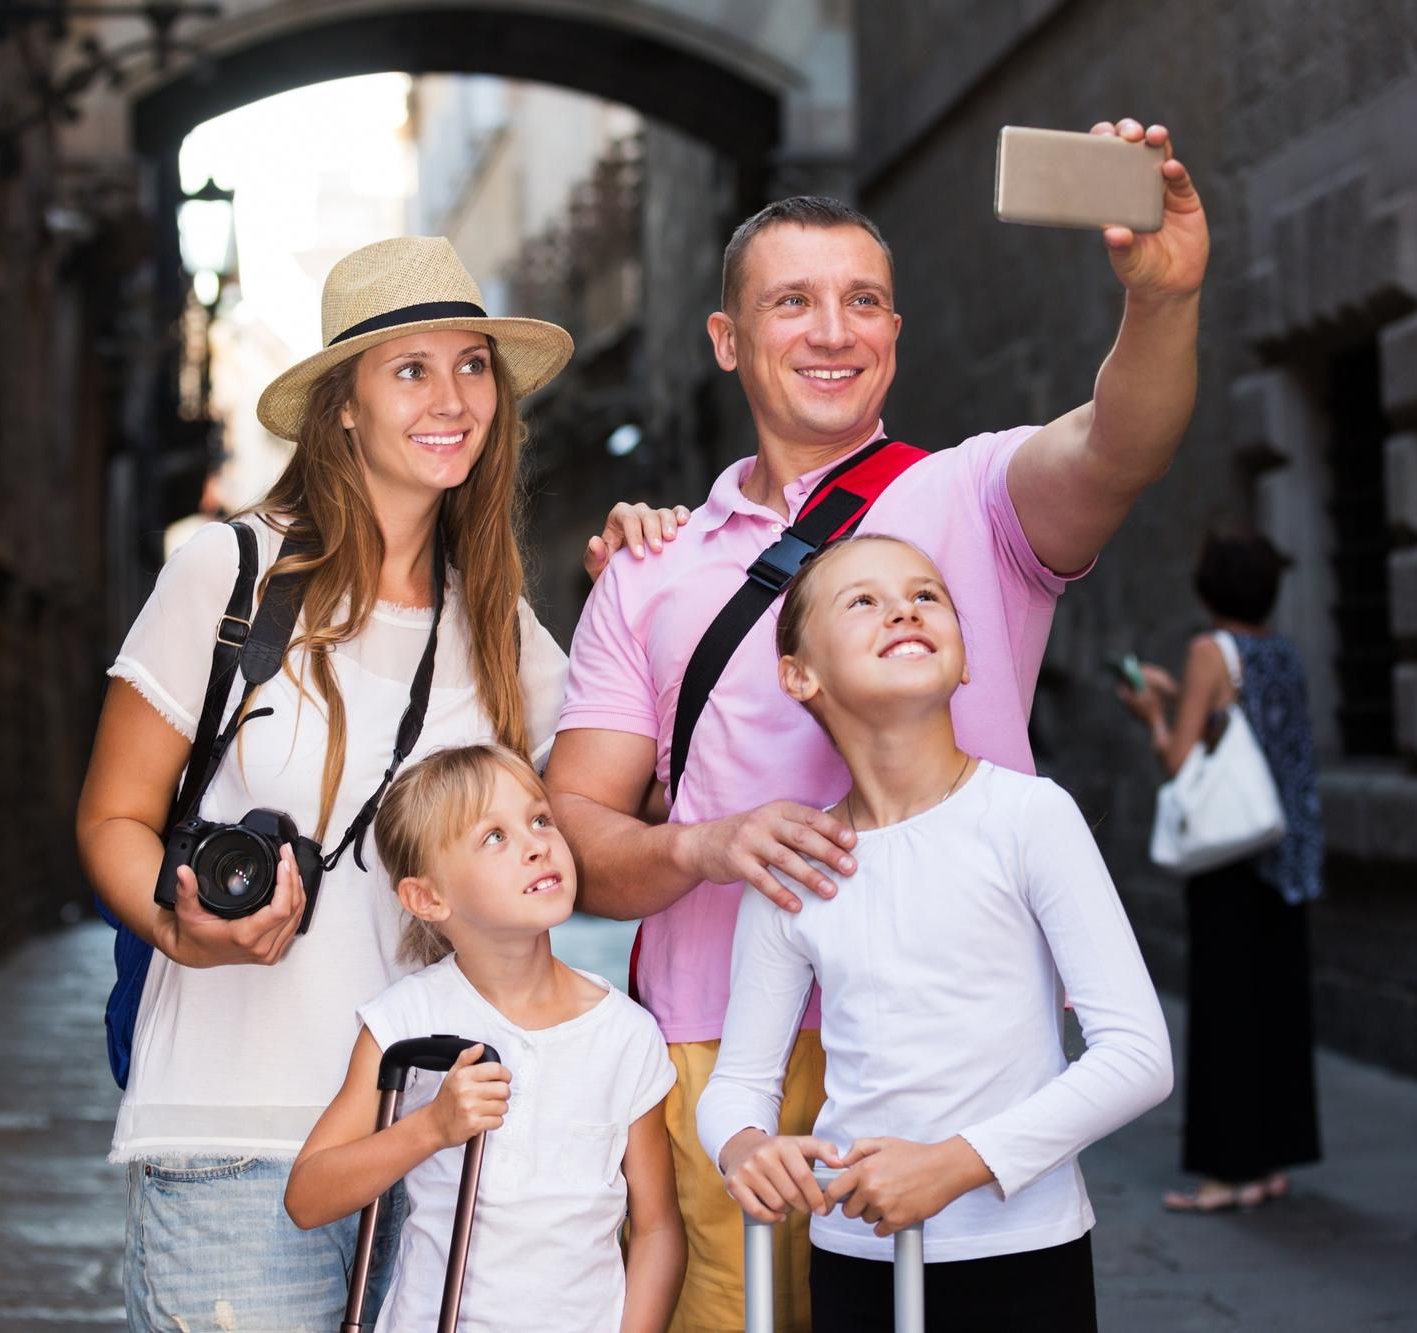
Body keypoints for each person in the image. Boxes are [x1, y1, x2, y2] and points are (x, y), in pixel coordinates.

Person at [546, 118, 1208, 1331]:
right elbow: (574, 840)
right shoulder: (649, 568)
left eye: (863, 301)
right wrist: (705, 845)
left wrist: (1160, 302)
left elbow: (1120, 443)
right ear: (726, 340)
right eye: (791, 303)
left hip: (945, 1048)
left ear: (896, 332)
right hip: (715, 1047)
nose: (832, 330)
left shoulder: (967, 492)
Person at [74, 236, 683, 1331]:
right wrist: (183, 931)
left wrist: (648, 589)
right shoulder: (230, 574)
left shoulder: (494, 623)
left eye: (471, 365)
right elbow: (111, 817)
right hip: (240, 1138)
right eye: (409, 368)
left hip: (436, 1158)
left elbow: (622, 795)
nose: (451, 397)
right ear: (342, 405)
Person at [700, 534, 1173, 1332]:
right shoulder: (800, 863)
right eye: (863, 600)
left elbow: (1138, 1056)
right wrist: (744, 1145)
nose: (903, 609)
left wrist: (953, 1166)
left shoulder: (1027, 817)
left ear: (962, 662)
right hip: (856, 1257)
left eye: (927, 595)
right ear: (799, 674)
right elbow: (741, 1081)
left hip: (1023, 1249)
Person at [286, 743, 685, 1332]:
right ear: (428, 898)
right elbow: (309, 1196)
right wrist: (431, 1127)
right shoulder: (407, 1021)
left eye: (540, 819)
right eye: (494, 837)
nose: (536, 844)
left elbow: (657, 1228)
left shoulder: (625, 1033)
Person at [1117, 531, 1323, 1212]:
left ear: (1208, 591)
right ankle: (1268, 1163)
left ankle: (1223, 1175)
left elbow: (1183, 766)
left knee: (1226, 1012)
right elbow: (1246, 738)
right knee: (1275, 1011)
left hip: (1231, 861)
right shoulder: (1283, 651)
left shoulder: (1210, 650)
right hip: (1286, 855)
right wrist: (1190, 702)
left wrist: (1152, 713)